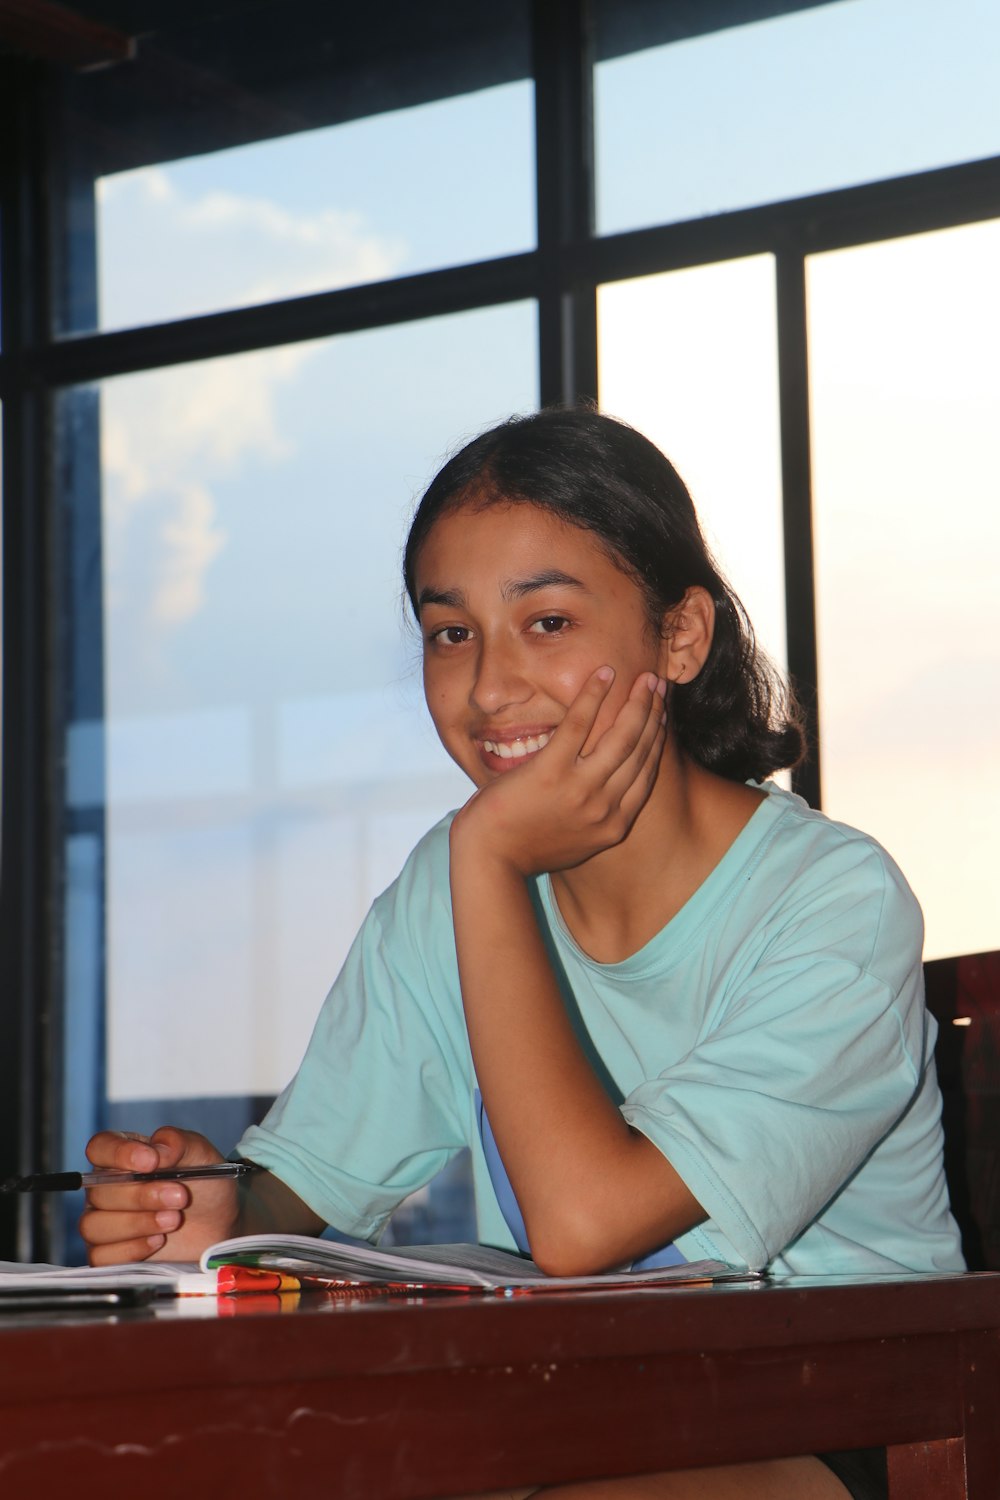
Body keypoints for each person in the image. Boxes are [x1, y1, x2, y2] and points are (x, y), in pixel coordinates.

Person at [81, 407, 963, 1500]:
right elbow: (300, 1194)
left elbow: (584, 1226)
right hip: (565, 1406)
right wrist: (218, 1219)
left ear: (679, 638)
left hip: (847, 1421)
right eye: (451, 633)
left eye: (545, 622)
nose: (490, 688)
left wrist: (490, 864)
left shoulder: (832, 901)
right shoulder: (450, 886)